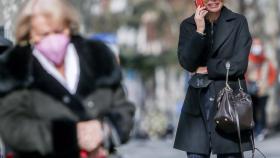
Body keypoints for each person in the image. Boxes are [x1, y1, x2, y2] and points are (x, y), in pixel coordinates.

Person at [0, 0, 135, 158]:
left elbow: (123, 109)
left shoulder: (98, 58)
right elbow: (13, 126)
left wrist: (104, 131)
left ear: (68, 27)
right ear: (30, 34)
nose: (52, 39)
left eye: (58, 31)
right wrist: (71, 136)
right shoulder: (16, 68)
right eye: (44, 34)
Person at [174, 0, 253, 157]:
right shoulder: (188, 25)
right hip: (198, 102)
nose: (213, 0)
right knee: (196, 154)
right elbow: (187, 63)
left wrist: (209, 68)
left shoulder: (238, 22)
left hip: (230, 102)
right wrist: (200, 30)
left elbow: (239, 65)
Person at [246, 38, 276, 141]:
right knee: (253, 110)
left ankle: (262, 129)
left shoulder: (266, 60)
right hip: (251, 89)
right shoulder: (248, 59)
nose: (257, 47)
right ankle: (254, 130)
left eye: (258, 45)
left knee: (262, 110)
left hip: (263, 90)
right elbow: (245, 74)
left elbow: (272, 73)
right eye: (255, 44)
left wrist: (268, 83)